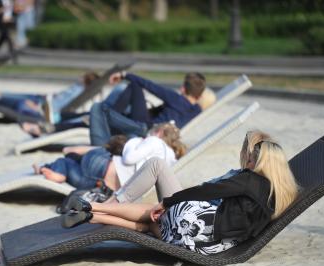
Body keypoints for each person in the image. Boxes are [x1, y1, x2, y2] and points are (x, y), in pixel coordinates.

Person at [60, 130, 299, 255]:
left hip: (197, 225)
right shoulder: (277, 195)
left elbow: (210, 190)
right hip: (208, 242)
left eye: (250, 156)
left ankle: (95, 206)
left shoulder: (250, 181)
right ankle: (92, 215)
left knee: (152, 209)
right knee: (149, 225)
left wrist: (169, 200)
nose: (247, 159)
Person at [34, 123, 186, 192]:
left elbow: (129, 158)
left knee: (69, 159)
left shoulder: (155, 141)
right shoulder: (173, 161)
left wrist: (135, 141)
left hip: (102, 164)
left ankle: (51, 165)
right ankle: (59, 168)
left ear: (159, 133)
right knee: (73, 164)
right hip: (100, 185)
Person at [89, 72, 205, 146]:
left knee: (135, 85)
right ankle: (113, 117)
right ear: (199, 95)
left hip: (146, 128)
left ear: (183, 89)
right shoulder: (197, 111)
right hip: (163, 135)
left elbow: (150, 85)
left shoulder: (177, 99)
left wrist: (124, 75)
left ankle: (110, 119)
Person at [0, 71, 100, 122]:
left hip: (40, 104)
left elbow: (56, 108)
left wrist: (38, 107)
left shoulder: (78, 90)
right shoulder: (80, 89)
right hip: (40, 98)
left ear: (86, 81)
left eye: (82, 77)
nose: (79, 77)